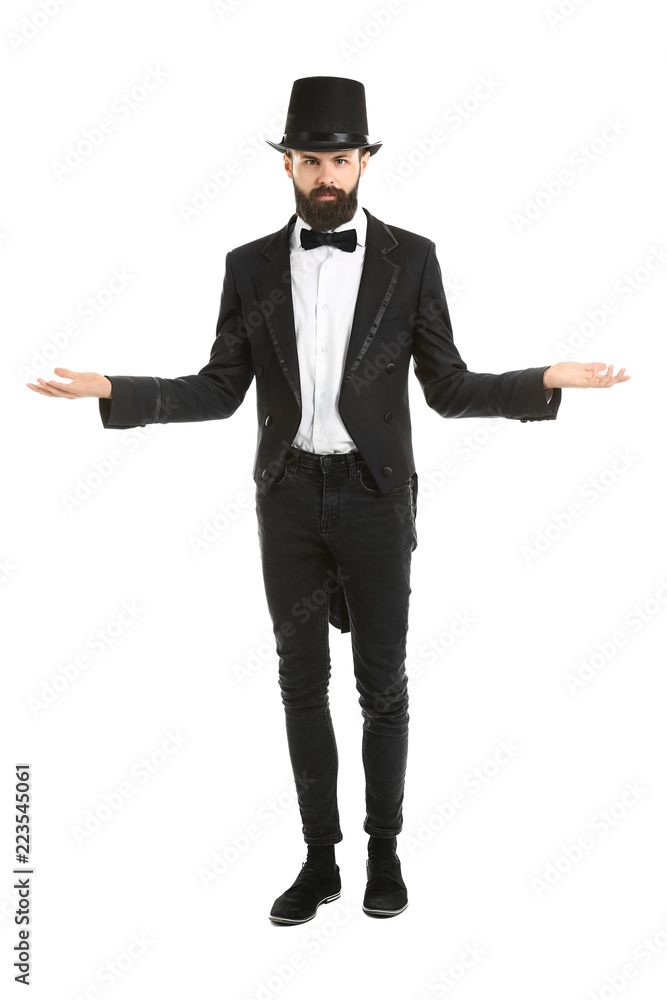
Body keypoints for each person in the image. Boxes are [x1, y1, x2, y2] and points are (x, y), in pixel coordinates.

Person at [26, 76, 630, 924]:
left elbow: (448, 387)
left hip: (375, 498)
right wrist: (115, 391)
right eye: (310, 160)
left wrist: (543, 380)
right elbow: (219, 389)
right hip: (287, 500)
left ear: (363, 163)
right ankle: (319, 860)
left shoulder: (410, 258)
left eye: (340, 160)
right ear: (287, 165)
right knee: (299, 683)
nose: (326, 175)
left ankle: (384, 853)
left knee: (382, 686)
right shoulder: (248, 266)